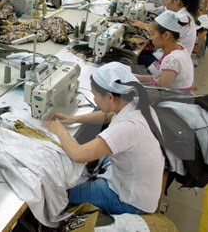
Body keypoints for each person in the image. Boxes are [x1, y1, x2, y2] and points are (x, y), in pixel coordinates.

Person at [43, 62, 165, 215]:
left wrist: (60, 131)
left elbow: (78, 154)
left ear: (109, 97)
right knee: (94, 162)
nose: (94, 99)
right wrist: (73, 119)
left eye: (95, 95)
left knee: (63, 192)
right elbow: (106, 116)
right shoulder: (134, 104)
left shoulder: (128, 126)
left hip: (130, 199)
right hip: (139, 184)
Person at [135, 11, 194, 91]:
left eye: (153, 34)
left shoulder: (172, 60)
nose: (151, 38)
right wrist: (137, 77)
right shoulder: (180, 48)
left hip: (173, 100)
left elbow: (161, 91)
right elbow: (159, 78)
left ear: (166, 35)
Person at [134, 0, 199, 55]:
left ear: (177, 1)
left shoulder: (181, 19)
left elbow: (160, 35)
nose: (165, 3)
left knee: (135, 58)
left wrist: (144, 26)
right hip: (173, 55)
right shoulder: (186, 14)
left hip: (168, 58)